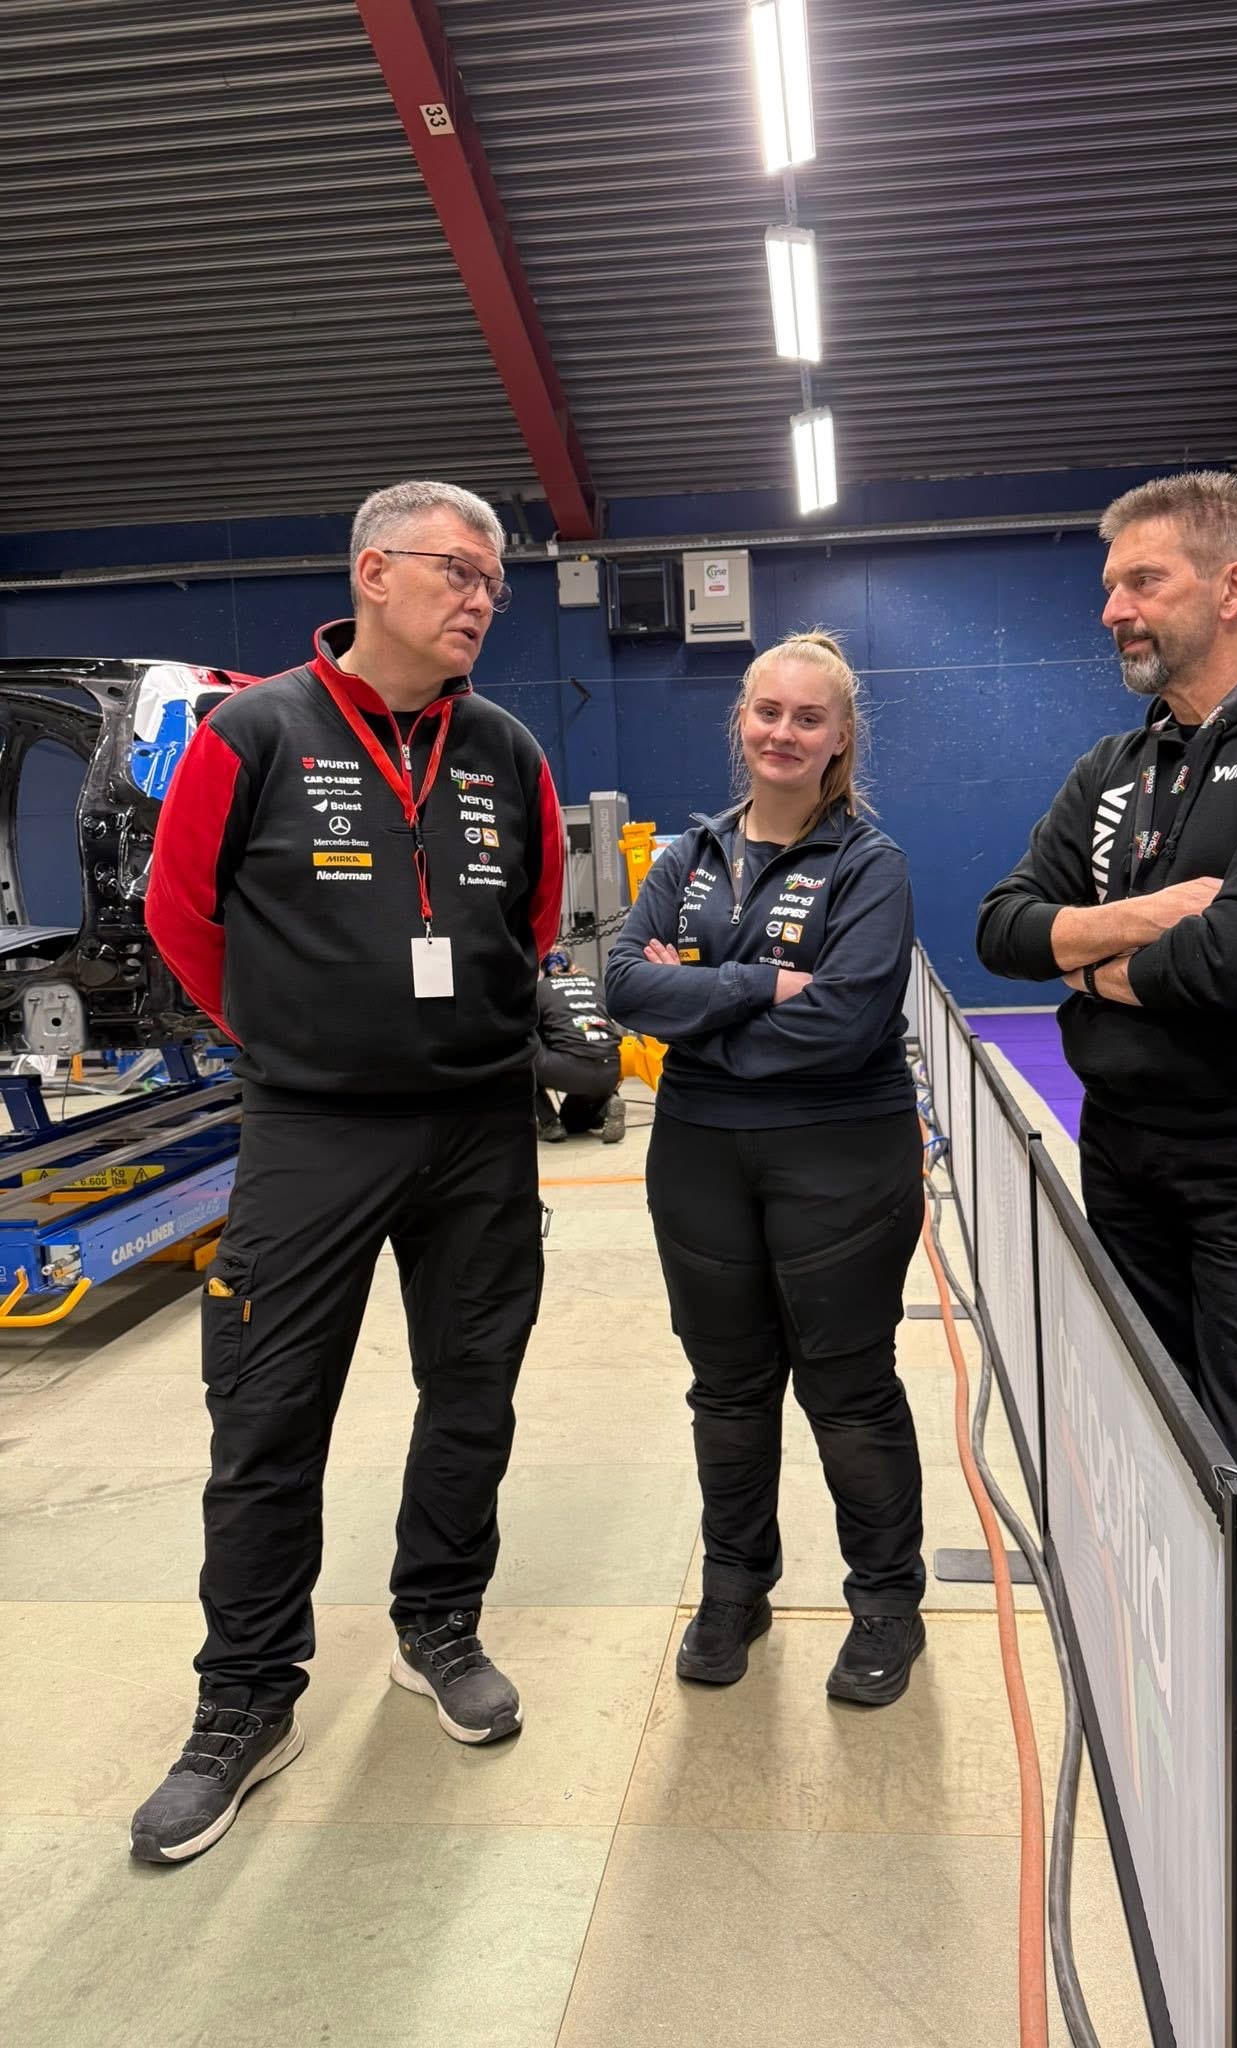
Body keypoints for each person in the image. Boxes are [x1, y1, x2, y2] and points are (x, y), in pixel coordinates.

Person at [133, 479, 565, 1864]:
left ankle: (437, 1623)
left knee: (472, 1394)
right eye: (458, 571)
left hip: (478, 1128)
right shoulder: (252, 733)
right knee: (267, 1414)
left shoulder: (506, 749)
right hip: (313, 1131)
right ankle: (247, 1697)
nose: (481, 597)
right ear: (374, 573)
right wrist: (292, 1038)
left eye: (494, 580)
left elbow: (535, 918)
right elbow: (179, 915)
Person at [976, 472, 1237, 1646]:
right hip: (1121, 1149)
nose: (1115, 607)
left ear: (1231, 587)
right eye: (1112, 585)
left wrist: (1089, 963)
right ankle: (1186, 1669)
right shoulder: (1114, 767)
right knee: (1149, 1426)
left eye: (1142, 581)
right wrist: (1146, 919)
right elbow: (1003, 925)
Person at [605, 630, 927, 1706]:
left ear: (840, 737)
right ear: (741, 720)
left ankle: (886, 1601)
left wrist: (697, 1007)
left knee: (848, 1385)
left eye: (808, 717)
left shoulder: (869, 866)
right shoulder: (687, 857)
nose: (783, 732)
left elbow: (847, 1021)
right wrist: (757, 987)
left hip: (841, 1155)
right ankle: (735, 1586)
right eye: (768, 711)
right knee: (728, 1388)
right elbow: (622, 985)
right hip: (701, 1158)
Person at [533, 949, 626, 1144]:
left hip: (567, 1069)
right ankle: (606, 1104)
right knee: (573, 1123)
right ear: (571, 965)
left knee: (521, 1052)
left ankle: (550, 1123)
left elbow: (532, 1030)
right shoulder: (596, 984)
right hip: (611, 1071)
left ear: (543, 969)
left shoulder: (540, 990)